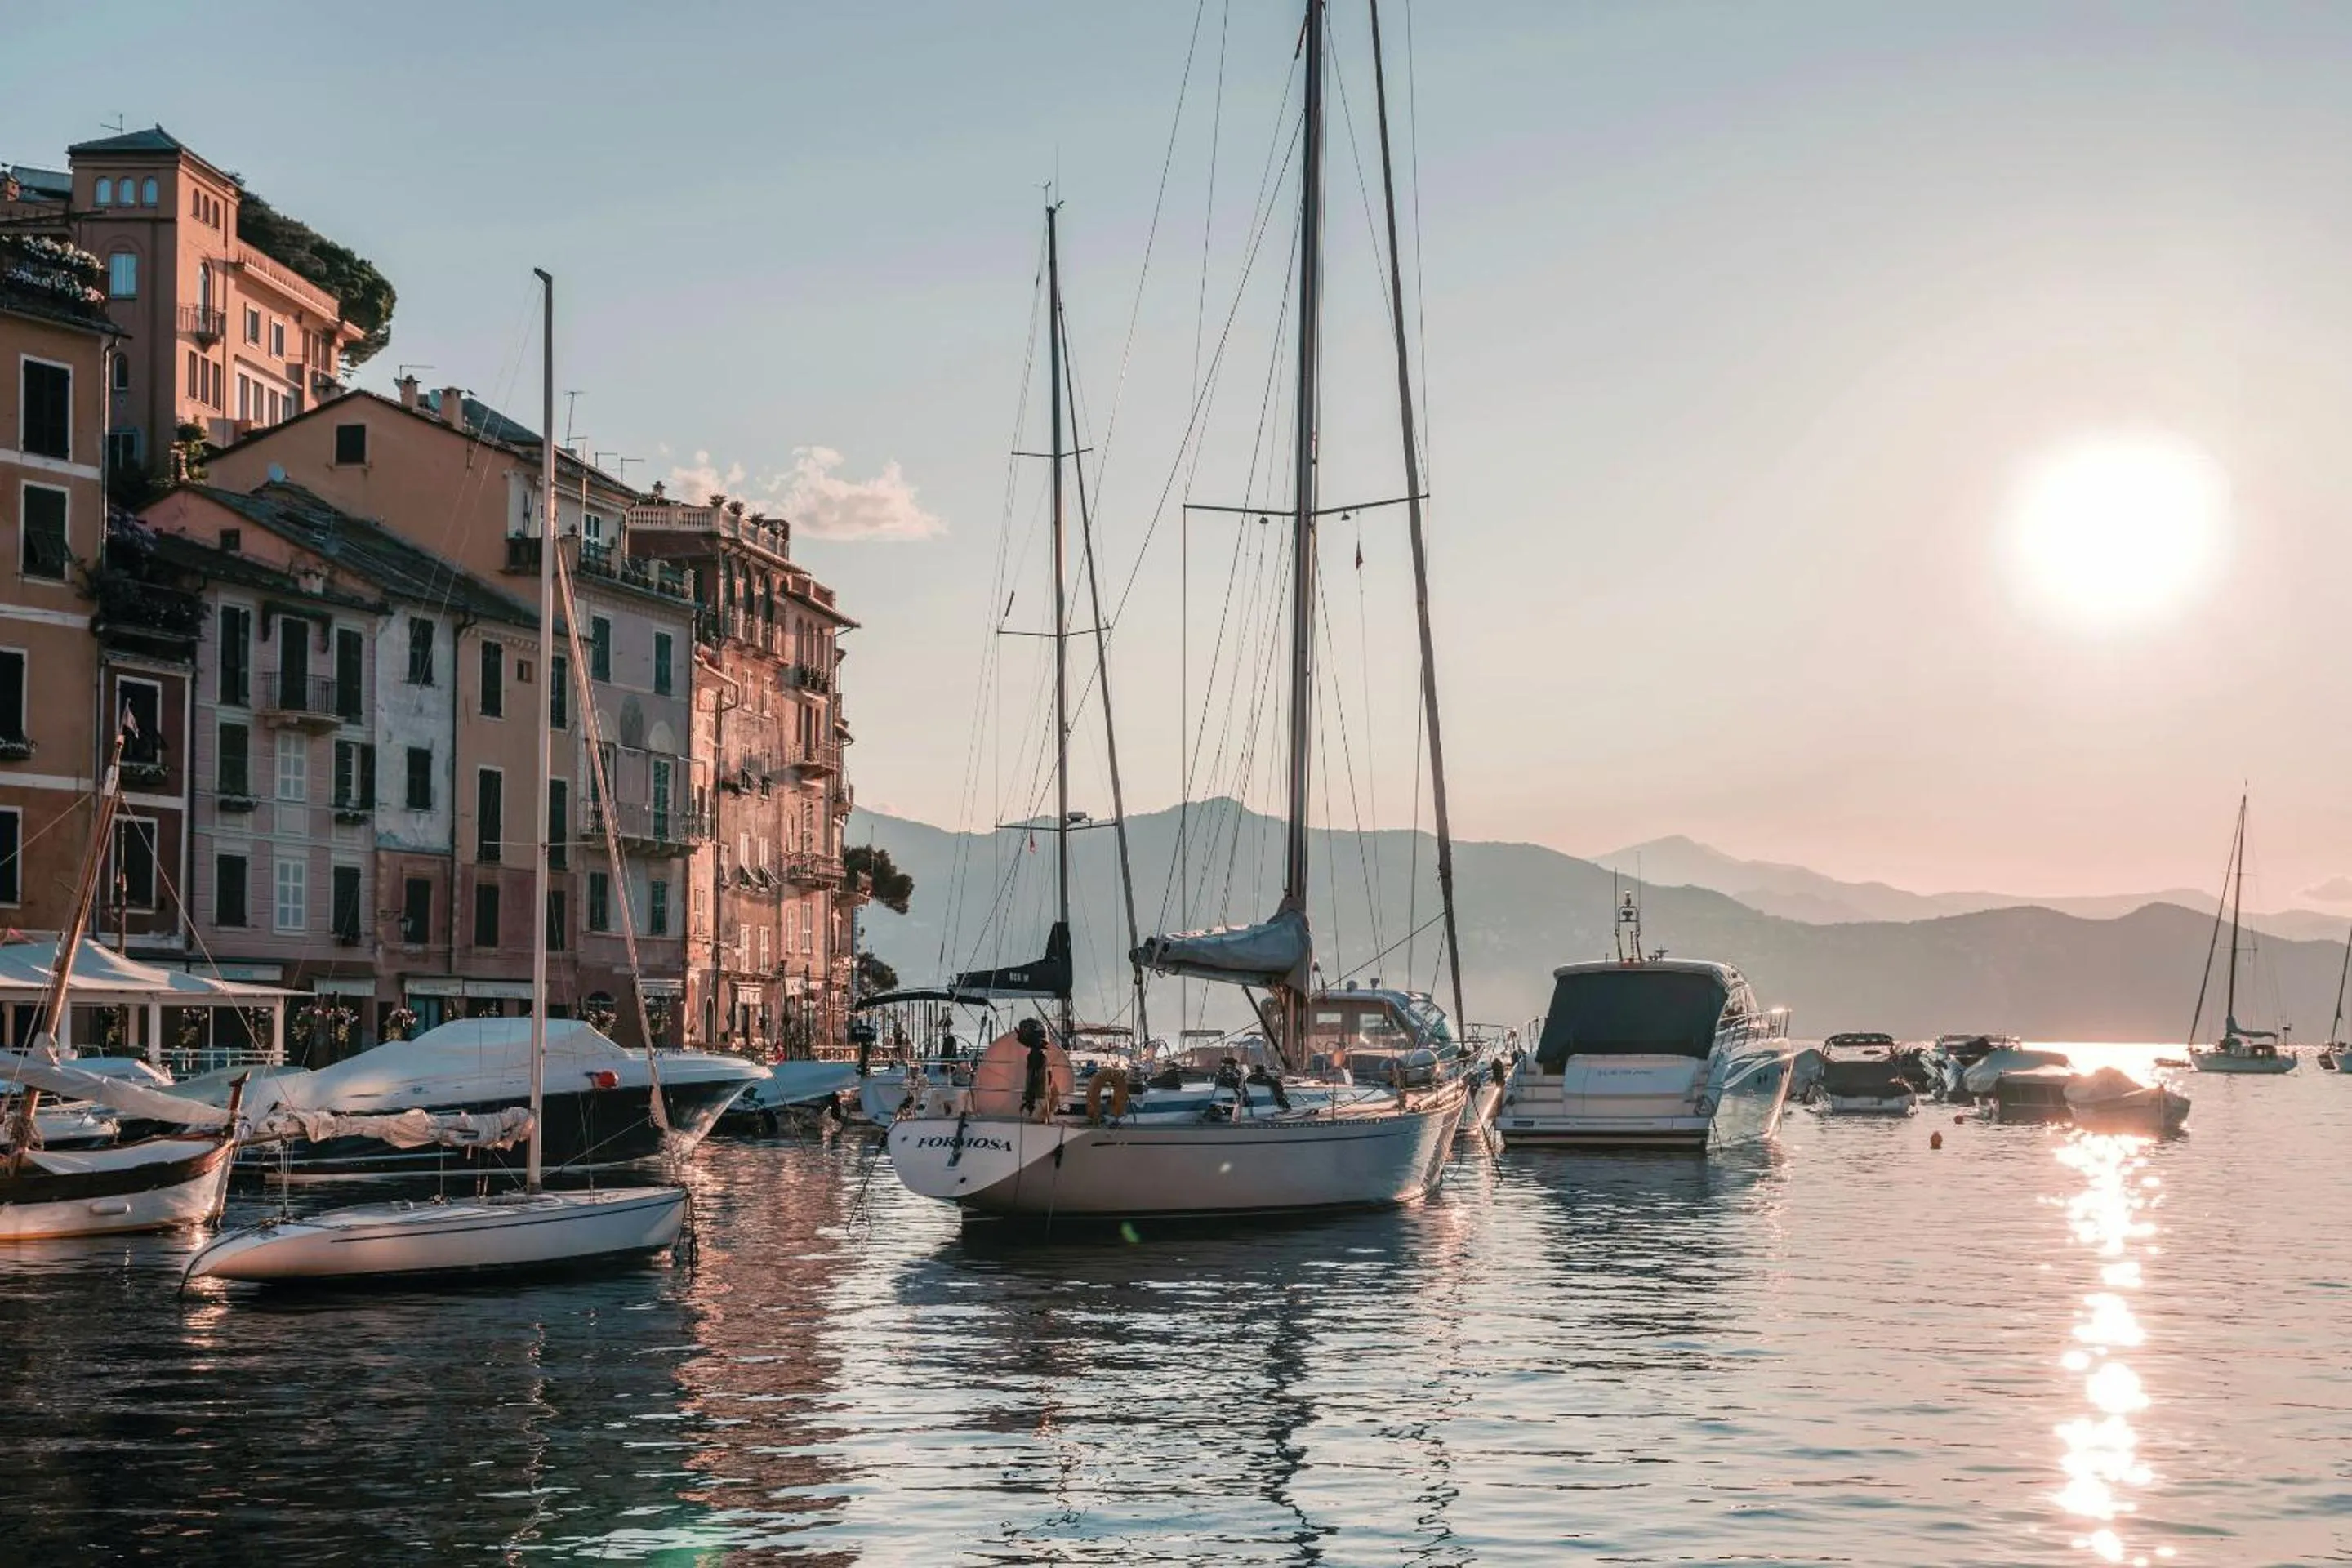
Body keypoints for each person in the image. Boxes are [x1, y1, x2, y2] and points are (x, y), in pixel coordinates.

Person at [1018, 1017, 1050, 1119]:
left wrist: (1029, 1097)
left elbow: (1033, 1077)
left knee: (1038, 1096)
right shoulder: (1040, 1054)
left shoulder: (1036, 1055)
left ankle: (1034, 1111)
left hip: (1036, 1096)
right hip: (1038, 1095)